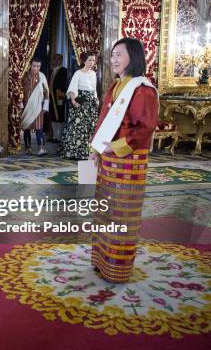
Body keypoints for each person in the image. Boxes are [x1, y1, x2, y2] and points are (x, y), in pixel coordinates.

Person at [89, 37, 159, 283]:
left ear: (134, 57)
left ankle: (117, 268)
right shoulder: (114, 87)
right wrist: (96, 149)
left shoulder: (143, 90)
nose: (114, 59)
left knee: (121, 215)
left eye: (119, 54)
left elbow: (145, 128)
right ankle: (101, 260)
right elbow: (104, 121)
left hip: (128, 162)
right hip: (108, 160)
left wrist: (115, 147)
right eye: (112, 55)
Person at [60, 52, 99, 160]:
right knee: (77, 127)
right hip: (80, 102)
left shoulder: (93, 73)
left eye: (93, 60)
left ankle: (88, 152)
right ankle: (75, 152)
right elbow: (73, 88)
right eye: (90, 60)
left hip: (91, 103)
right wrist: (73, 101)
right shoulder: (78, 73)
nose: (92, 62)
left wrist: (96, 99)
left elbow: (94, 89)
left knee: (90, 126)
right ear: (84, 61)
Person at [20, 58, 49, 156]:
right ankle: (28, 148)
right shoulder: (24, 76)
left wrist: (45, 106)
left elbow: (46, 92)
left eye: (38, 66)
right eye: (34, 66)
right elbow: (19, 90)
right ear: (30, 65)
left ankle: (41, 148)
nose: (36, 68)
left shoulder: (42, 76)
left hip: (38, 107)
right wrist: (20, 104)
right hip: (26, 106)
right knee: (26, 127)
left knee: (39, 127)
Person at [48, 54, 69, 142]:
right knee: (53, 116)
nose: (56, 61)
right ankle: (54, 136)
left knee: (60, 116)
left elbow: (66, 83)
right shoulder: (51, 71)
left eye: (58, 59)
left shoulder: (64, 71)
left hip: (60, 96)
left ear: (61, 60)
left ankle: (59, 137)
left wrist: (63, 95)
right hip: (51, 97)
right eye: (54, 59)